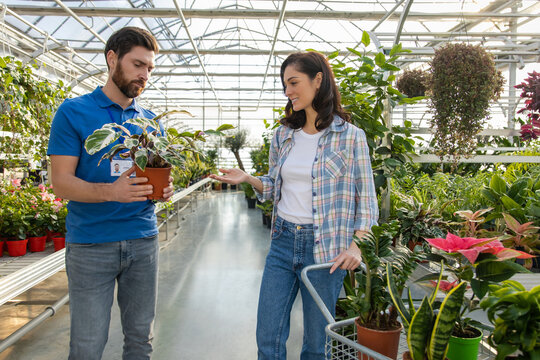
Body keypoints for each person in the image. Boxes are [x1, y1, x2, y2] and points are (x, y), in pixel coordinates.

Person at [211, 51, 378, 359]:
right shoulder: (284, 135)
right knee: (268, 337)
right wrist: (248, 178)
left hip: (327, 250)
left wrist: (356, 247)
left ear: (318, 80)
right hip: (283, 243)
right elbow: (275, 187)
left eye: (293, 82)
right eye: (284, 85)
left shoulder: (351, 137)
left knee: (316, 345)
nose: (287, 92)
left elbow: (366, 200)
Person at [47, 27, 173, 360]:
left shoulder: (150, 123)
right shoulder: (73, 112)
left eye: (149, 68)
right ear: (112, 59)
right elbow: (60, 182)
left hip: (143, 242)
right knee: (87, 344)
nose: (145, 74)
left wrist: (162, 191)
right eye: (137, 64)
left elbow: (153, 177)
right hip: (91, 246)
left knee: (140, 340)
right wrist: (111, 192)